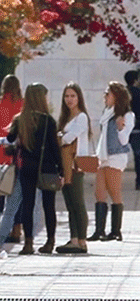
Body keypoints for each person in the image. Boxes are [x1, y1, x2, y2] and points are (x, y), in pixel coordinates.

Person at [3, 83, 62, 255]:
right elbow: (54, 148)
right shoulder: (48, 120)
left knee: (27, 204)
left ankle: (28, 243)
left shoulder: (20, 119)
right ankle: (50, 242)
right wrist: (62, 170)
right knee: (48, 206)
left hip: (27, 167)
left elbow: (10, 137)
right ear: (41, 98)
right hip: (48, 167)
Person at [90, 82, 134, 243]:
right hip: (104, 156)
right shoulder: (107, 113)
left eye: (107, 93)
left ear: (116, 96)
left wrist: (120, 127)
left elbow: (124, 140)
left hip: (116, 156)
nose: (105, 96)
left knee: (114, 191)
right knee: (99, 192)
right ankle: (99, 230)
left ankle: (116, 231)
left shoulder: (127, 115)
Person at [55, 83, 91, 254]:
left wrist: (60, 137)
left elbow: (68, 139)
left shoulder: (81, 117)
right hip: (64, 165)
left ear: (79, 98)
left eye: (73, 96)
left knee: (78, 203)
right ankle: (74, 239)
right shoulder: (64, 118)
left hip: (76, 165)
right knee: (69, 204)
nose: (69, 99)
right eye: (67, 96)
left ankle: (82, 240)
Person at [0, 75, 24, 245]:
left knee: (1, 193)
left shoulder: (1, 103)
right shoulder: (23, 104)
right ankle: (17, 230)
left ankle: (3, 228)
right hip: (17, 154)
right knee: (16, 195)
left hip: (1, 152)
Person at [124, 70, 140, 190]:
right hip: (137, 129)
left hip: (123, 128)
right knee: (139, 158)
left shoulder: (122, 93)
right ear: (135, 80)